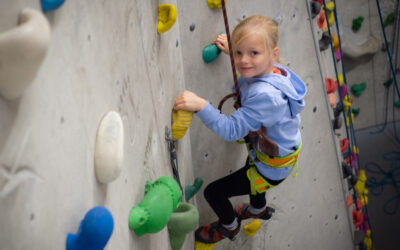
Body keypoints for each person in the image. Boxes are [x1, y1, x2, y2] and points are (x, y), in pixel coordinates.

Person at [174, 15, 307, 243]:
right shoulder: (275, 71)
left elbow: (231, 130)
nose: (244, 60)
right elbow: (251, 63)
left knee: (213, 192)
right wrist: (235, 51)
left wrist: (201, 105)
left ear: (272, 54)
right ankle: (258, 209)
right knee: (254, 176)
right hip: (277, 155)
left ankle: (230, 225)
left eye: (253, 53)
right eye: (239, 52)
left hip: (270, 165)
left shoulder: (266, 96)